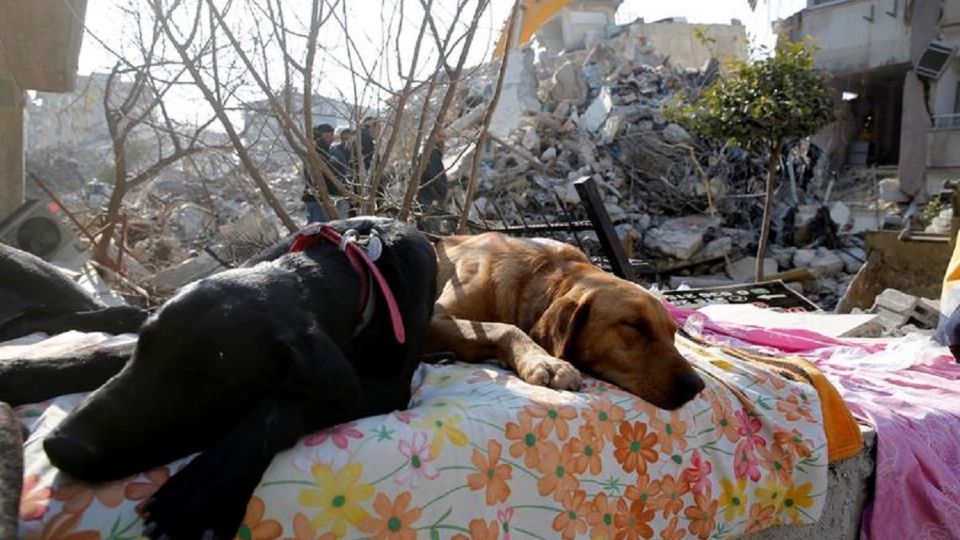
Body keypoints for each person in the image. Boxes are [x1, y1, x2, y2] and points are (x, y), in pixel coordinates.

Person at [301, 124, 341, 223]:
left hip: (312, 197)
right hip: (319, 198)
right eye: (329, 135)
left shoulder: (314, 150)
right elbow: (326, 172)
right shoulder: (321, 150)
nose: (331, 137)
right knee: (319, 229)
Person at [417, 129, 449, 214]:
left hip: (427, 197)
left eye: (444, 137)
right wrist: (441, 191)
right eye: (439, 137)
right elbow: (432, 175)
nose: (442, 140)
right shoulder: (431, 153)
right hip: (429, 198)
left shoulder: (429, 151)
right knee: (429, 224)